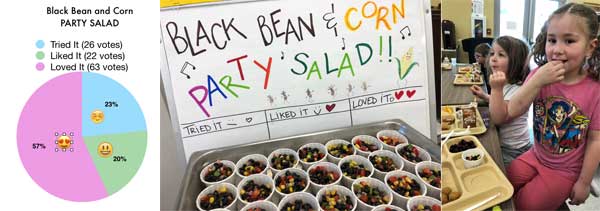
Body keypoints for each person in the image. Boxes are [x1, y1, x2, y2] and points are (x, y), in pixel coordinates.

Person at [496, 3, 600, 210]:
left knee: (524, 205)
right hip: (535, 154)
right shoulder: (538, 76)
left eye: (569, 41)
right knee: (501, 185)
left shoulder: (595, 90)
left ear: (590, 47)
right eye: (552, 40)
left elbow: (596, 139)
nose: (557, 49)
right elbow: (512, 110)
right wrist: (536, 81)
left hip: (566, 170)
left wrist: (584, 182)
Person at [470, 36, 531, 166]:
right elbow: (501, 103)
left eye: (501, 54)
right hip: (501, 141)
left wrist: (496, 89)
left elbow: (499, 117)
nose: (493, 58)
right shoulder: (505, 84)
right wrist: (485, 96)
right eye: (492, 53)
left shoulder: (519, 89)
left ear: (516, 61)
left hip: (514, 149)